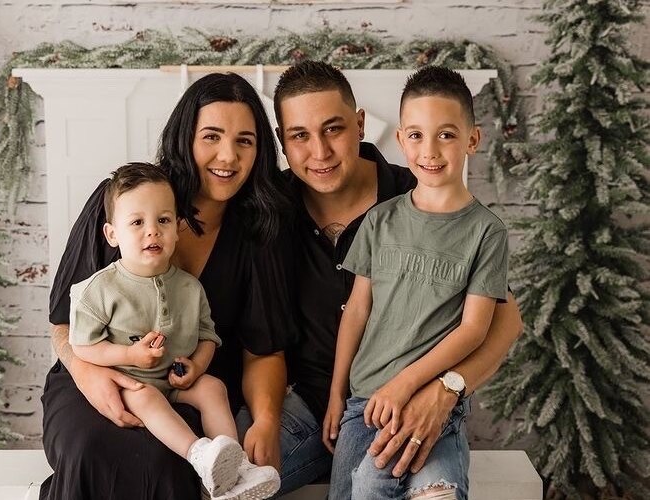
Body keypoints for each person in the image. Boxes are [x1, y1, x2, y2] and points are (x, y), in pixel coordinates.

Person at [272, 60, 523, 497]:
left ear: (360, 124)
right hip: (318, 403)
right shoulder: (269, 207)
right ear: (283, 142)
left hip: (421, 394)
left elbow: (501, 321)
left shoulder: (424, 195)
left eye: (333, 129)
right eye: (299, 136)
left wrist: (445, 389)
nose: (320, 152)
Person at [42, 73, 296, 500]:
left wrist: (266, 420)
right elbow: (62, 325)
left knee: (168, 462)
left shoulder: (257, 231)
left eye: (245, 141)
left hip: (187, 385)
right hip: (95, 373)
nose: (228, 156)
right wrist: (90, 375)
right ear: (185, 138)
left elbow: (264, 348)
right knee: (89, 447)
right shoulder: (124, 199)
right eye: (211, 136)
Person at [68, 162, 280, 499]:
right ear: (112, 234)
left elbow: (209, 336)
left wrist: (196, 366)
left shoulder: (189, 288)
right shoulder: (99, 289)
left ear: (178, 227)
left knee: (213, 389)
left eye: (163, 221)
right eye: (137, 222)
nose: (152, 232)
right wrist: (129, 354)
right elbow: (82, 346)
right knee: (148, 396)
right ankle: (199, 454)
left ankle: (236, 469)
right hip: (130, 383)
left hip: (175, 379)